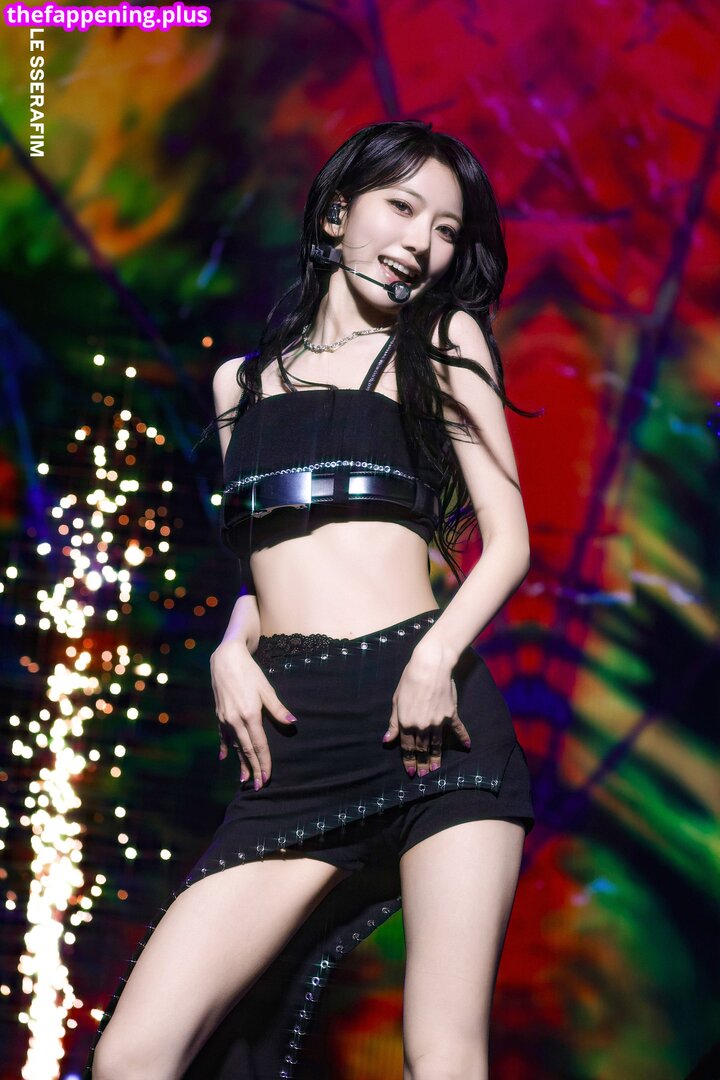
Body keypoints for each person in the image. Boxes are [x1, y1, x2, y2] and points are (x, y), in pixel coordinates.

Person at [87, 119, 536, 1080]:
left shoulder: (442, 341)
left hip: (436, 722)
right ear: (337, 214)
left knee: (443, 1055)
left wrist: (433, 661)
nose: (421, 242)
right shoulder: (239, 386)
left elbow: (509, 543)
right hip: (293, 737)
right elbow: (270, 561)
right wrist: (230, 647)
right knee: (133, 1056)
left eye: (447, 230)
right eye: (400, 207)